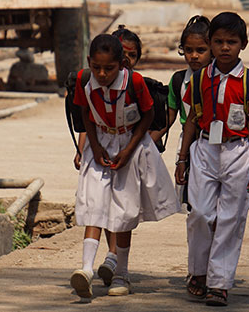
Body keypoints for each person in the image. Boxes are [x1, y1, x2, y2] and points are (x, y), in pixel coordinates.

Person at [70, 34, 180, 299]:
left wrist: (129, 150)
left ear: (121, 64)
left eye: (109, 68)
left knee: (123, 211)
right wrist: (93, 147)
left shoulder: (135, 82)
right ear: (89, 62)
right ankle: (85, 269)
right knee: (93, 204)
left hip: (128, 142)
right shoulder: (84, 81)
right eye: (97, 67)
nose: (102, 73)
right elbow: (85, 113)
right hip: (100, 144)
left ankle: (122, 272)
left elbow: (149, 114)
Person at [175, 12, 249, 306]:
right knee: (200, 213)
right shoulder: (202, 77)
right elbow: (192, 117)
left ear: (243, 44)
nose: (225, 47)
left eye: (231, 42)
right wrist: (181, 159)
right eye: (218, 41)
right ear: (210, 43)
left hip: (238, 151)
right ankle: (198, 272)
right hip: (204, 150)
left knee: (231, 217)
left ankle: (219, 283)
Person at [165, 15, 212, 210]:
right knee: (193, 206)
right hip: (189, 144)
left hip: (215, 143)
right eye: (188, 50)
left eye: (201, 50)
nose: (194, 56)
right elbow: (168, 118)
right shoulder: (178, 81)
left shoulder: (219, 80)